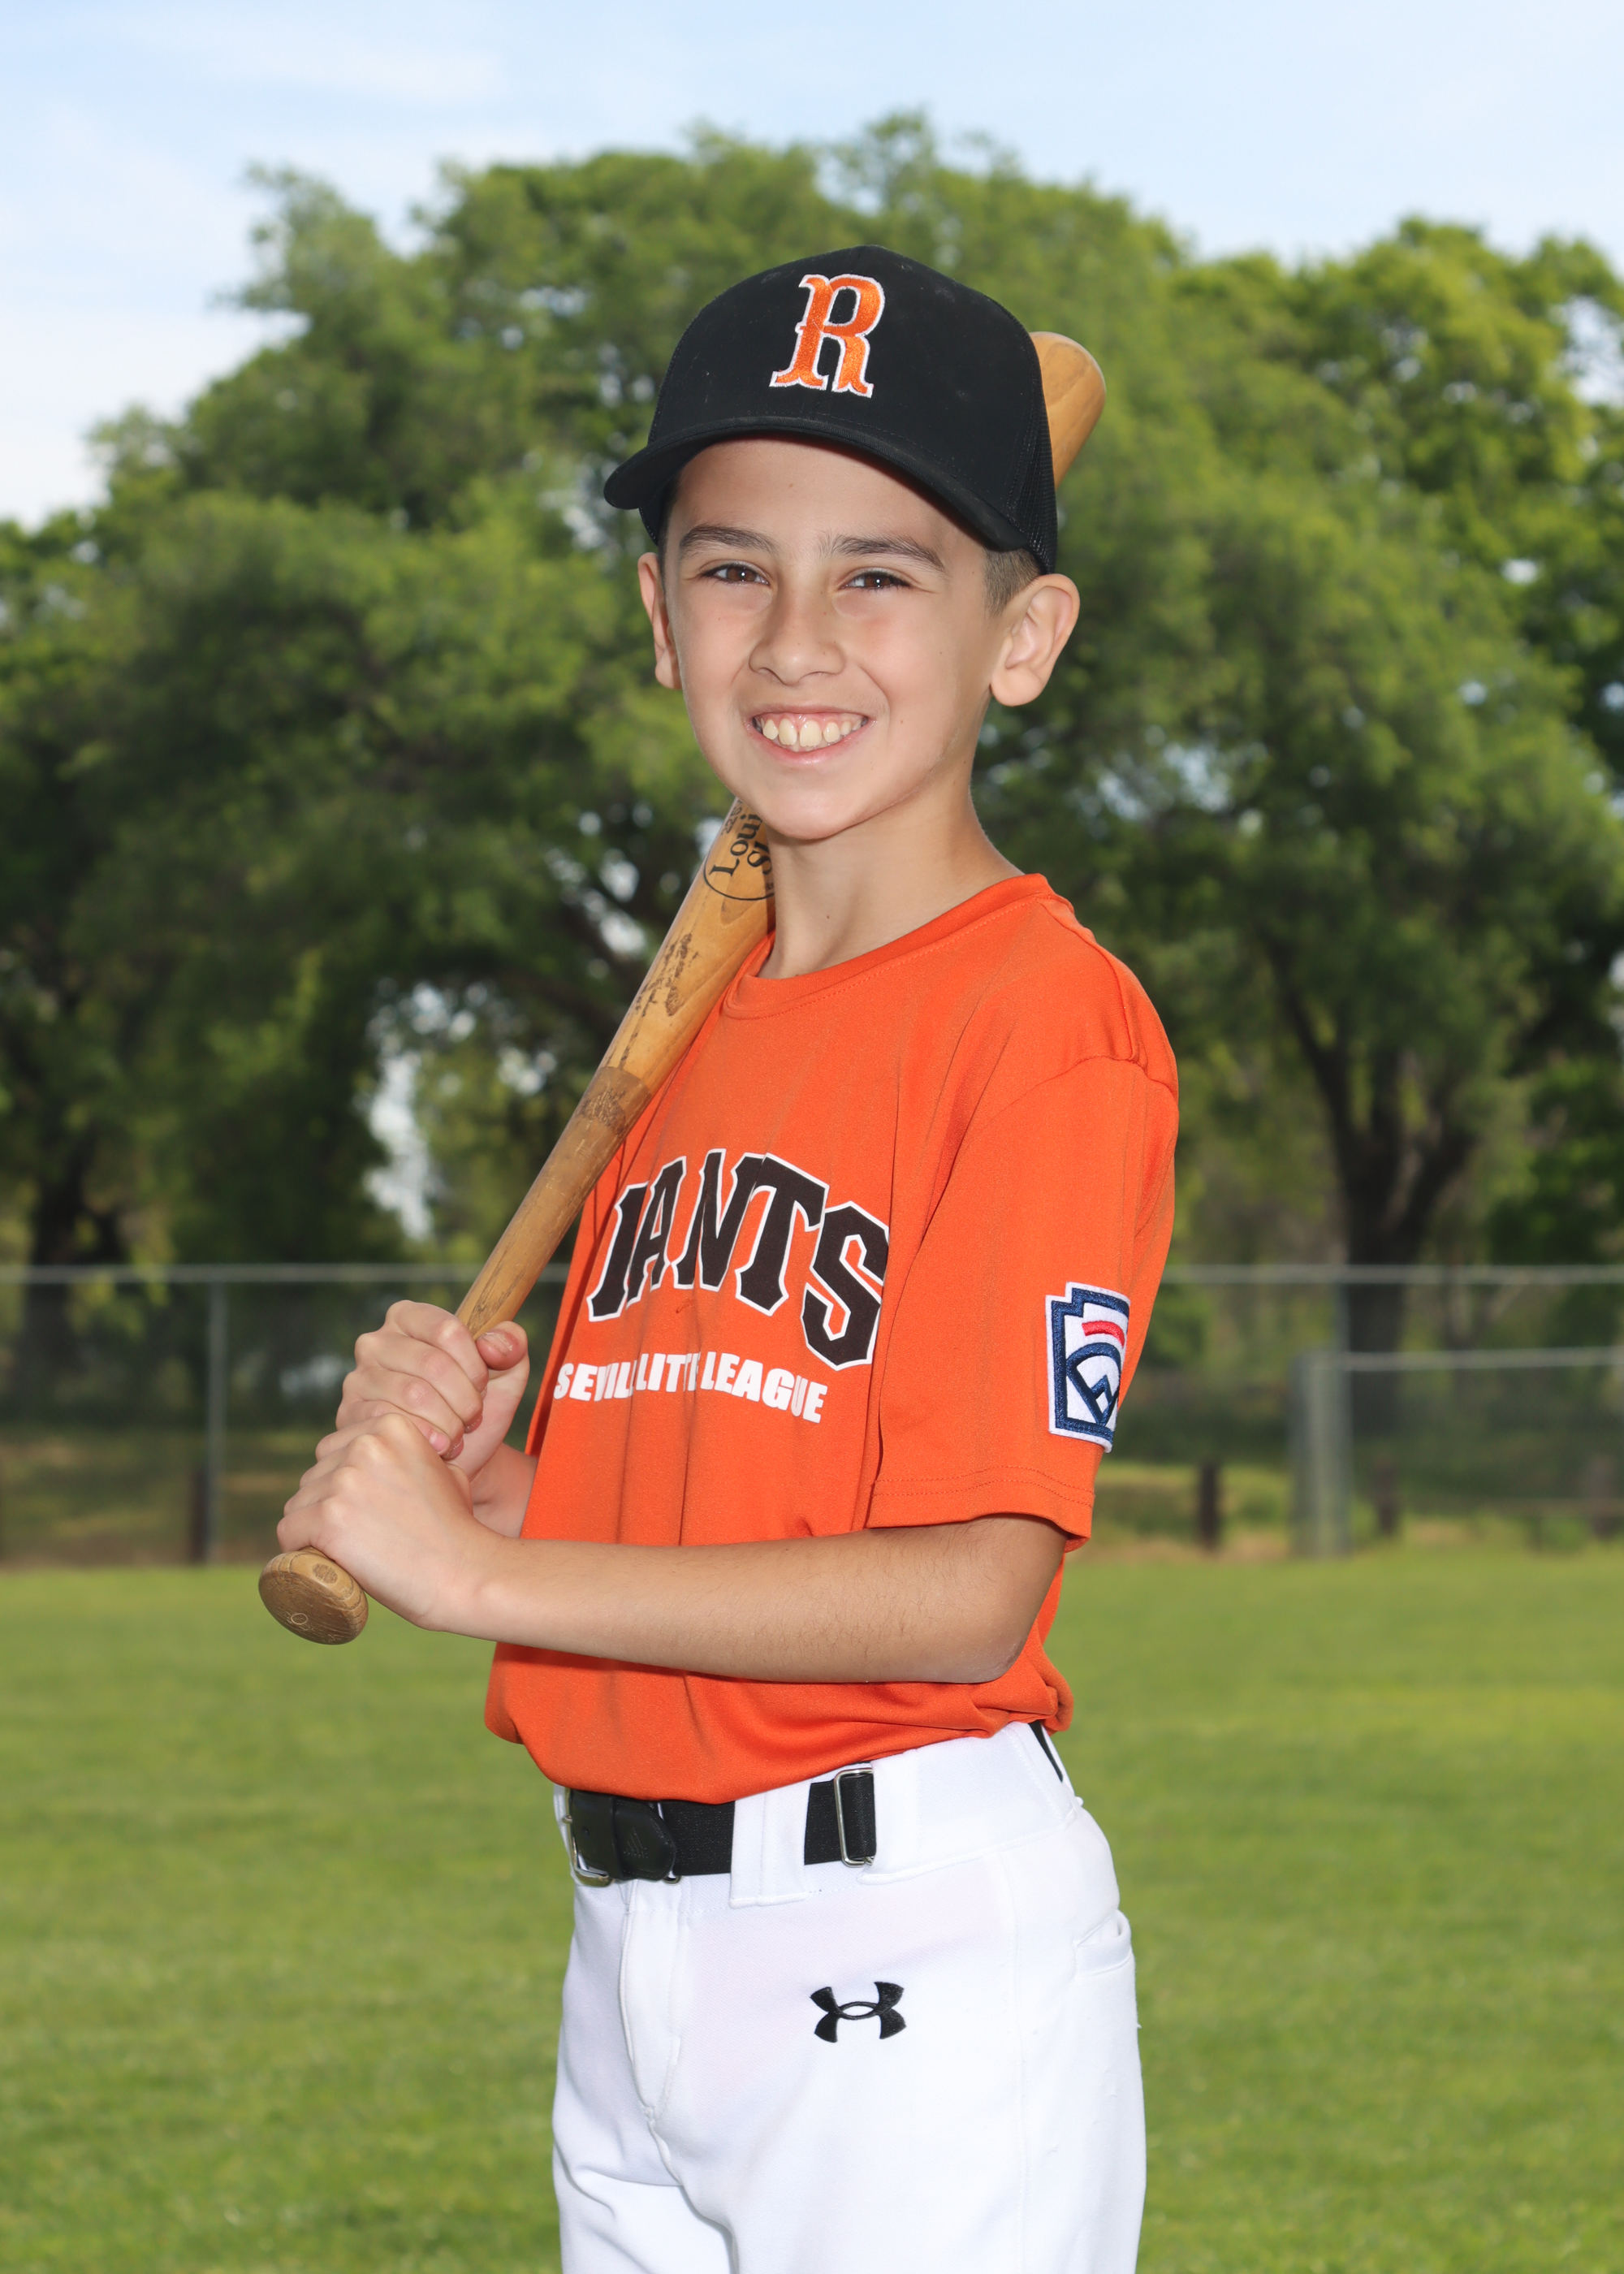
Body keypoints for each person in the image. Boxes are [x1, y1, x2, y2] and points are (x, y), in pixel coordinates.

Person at [279, 245, 1177, 2274]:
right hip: (630, 1951)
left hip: (902, 1953)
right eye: (732, 567)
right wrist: (503, 1484)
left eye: (881, 574)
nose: (795, 639)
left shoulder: (1047, 1023)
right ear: (655, 613)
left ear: (1022, 635)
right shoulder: (686, 1038)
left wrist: (477, 1578)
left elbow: (963, 1585)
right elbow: (722, 1510)